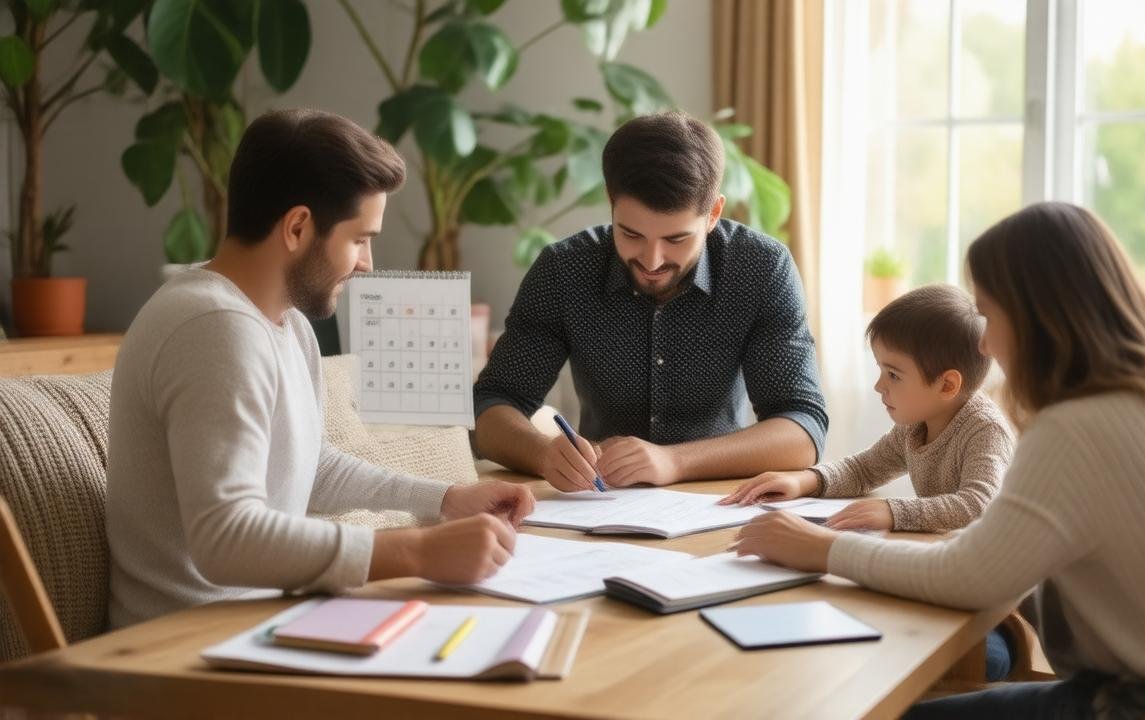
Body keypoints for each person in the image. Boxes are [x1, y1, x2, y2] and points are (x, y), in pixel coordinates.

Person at [735, 202, 1145, 718]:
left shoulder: (1083, 425)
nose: (987, 345)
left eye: (988, 314)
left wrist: (824, 548)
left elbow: (975, 579)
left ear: (1036, 318)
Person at [107, 109, 534, 628]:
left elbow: (306, 465)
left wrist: (445, 499)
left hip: (255, 626)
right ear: (298, 227)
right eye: (360, 238)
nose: (367, 263)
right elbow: (224, 538)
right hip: (184, 650)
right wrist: (417, 551)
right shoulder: (213, 328)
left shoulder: (283, 323)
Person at [472, 111, 828, 492]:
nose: (652, 260)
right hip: (599, 502)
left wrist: (674, 461)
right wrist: (544, 453)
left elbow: (803, 429)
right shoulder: (565, 269)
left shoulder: (761, 268)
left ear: (714, 214)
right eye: (631, 234)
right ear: (611, 201)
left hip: (718, 501)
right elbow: (491, 407)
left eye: (676, 239)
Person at [721, 283, 1014, 534]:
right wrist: (803, 480)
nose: (879, 386)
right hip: (946, 553)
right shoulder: (914, 426)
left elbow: (978, 504)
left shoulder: (985, 430)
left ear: (947, 385)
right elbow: (864, 470)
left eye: (894, 375)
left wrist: (893, 512)